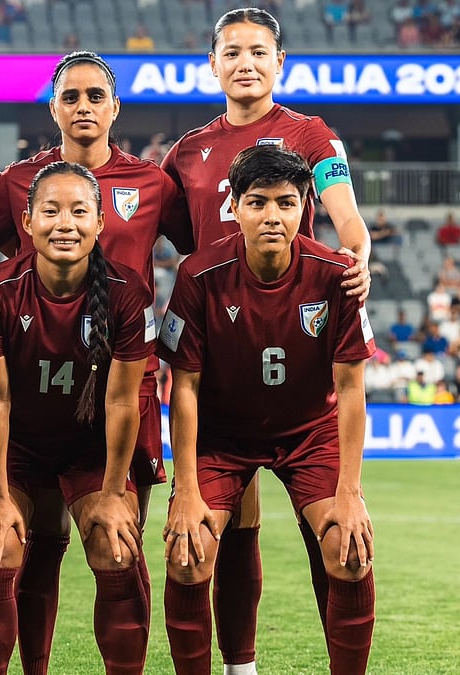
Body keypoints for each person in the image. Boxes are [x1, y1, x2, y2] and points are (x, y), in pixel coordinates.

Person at [160, 10, 372, 670]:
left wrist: (356, 255)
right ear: (213, 63)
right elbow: (163, 239)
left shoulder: (311, 134)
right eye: (232, 51)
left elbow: (344, 214)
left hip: (293, 344)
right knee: (228, 529)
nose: (245, 62)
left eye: (259, 51)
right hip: (220, 349)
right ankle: (240, 664)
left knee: (335, 541)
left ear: (281, 61)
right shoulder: (188, 152)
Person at [0, 50, 192, 672]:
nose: (83, 107)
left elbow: (207, 250)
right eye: (70, 96)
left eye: (95, 95)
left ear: (115, 107)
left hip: (127, 385)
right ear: (52, 108)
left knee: (121, 541)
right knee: (38, 543)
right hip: (39, 385)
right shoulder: (16, 184)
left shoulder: (153, 183)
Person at [0, 161, 154, 675]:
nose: (64, 224)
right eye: (50, 211)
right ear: (27, 221)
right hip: (15, 449)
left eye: (79, 212)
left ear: (100, 222)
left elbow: (122, 402)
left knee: (117, 548)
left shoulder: (129, 294)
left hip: (91, 450)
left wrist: (113, 495)